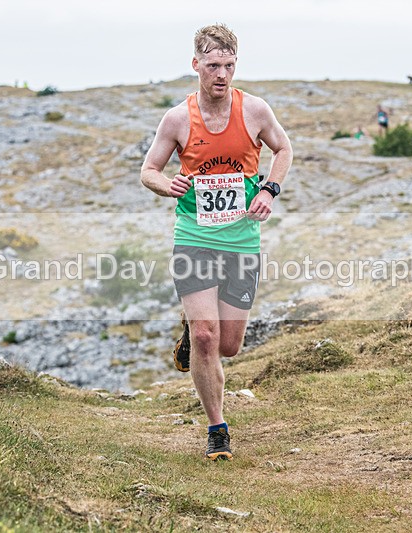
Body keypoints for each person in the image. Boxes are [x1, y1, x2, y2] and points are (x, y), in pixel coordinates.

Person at [141, 24, 293, 461]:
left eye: (228, 65)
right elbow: (148, 170)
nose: (221, 74)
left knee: (228, 345)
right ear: (196, 65)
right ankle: (217, 428)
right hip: (194, 237)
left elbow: (283, 149)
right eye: (212, 65)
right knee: (208, 337)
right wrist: (167, 185)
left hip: (241, 240)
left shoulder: (255, 110)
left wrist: (269, 191)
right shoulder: (177, 119)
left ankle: (192, 333)